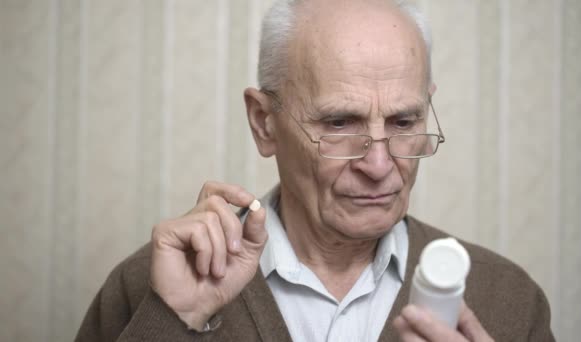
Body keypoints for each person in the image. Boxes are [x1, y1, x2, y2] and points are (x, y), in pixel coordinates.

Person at [76, 0, 555, 341]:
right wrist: (169, 322)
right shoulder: (150, 286)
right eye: (339, 123)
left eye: (404, 122)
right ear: (265, 123)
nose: (380, 165)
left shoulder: (507, 298)